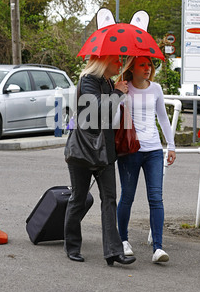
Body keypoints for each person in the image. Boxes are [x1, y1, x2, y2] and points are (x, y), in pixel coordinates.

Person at [64, 54, 136, 266]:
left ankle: (113, 251)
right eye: (116, 61)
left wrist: (118, 93)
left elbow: (109, 113)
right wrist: (116, 93)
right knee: (78, 198)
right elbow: (95, 109)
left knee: (110, 199)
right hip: (84, 150)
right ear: (104, 62)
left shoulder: (108, 82)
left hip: (105, 150)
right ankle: (72, 246)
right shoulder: (88, 80)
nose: (119, 64)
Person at [116, 56, 176, 263]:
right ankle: (123, 241)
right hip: (130, 150)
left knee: (156, 198)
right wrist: (117, 93)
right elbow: (114, 118)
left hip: (153, 150)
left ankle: (158, 248)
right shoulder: (124, 87)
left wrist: (171, 145)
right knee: (127, 196)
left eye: (149, 64)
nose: (147, 68)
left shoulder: (156, 89)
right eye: (142, 64)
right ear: (132, 68)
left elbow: (163, 118)